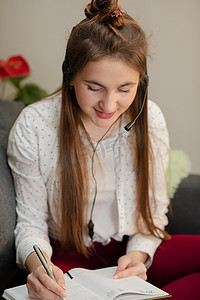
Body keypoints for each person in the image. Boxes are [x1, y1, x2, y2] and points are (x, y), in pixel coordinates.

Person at [7, 0, 200, 299]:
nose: (109, 105)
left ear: (142, 83)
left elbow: (154, 213)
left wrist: (139, 256)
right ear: (70, 76)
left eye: (125, 89)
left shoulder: (151, 121)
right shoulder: (34, 126)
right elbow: (30, 224)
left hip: (133, 254)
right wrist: (40, 268)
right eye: (94, 87)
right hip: (68, 258)